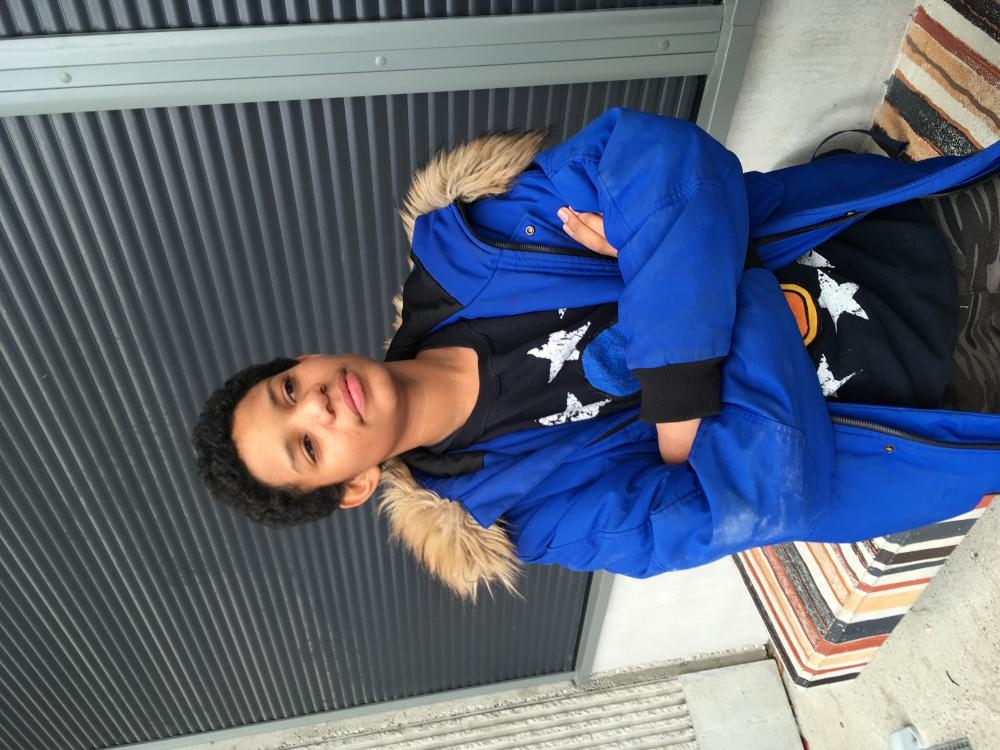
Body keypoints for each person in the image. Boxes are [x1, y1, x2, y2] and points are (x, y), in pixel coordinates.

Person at [193, 108, 1000, 601]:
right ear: (353, 487)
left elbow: (659, 159)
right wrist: (679, 274)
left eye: (288, 388)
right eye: (308, 446)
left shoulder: (472, 246)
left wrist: (682, 407)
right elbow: (761, 501)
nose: (317, 405)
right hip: (936, 408)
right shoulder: (522, 517)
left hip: (906, 237)